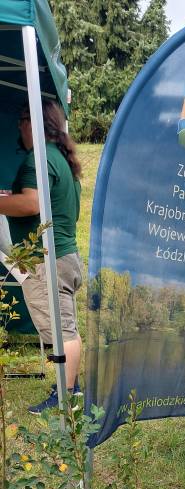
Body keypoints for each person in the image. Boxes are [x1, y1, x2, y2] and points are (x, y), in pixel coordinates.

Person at [0, 100, 83, 413]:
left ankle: (66, 397)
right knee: (65, 327)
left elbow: (31, 204)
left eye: (23, 119)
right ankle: (70, 388)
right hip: (64, 256)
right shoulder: (60, 159)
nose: (19, 127)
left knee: (61, 332)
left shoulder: (39, 158)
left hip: (48, 260)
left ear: (33, 122)